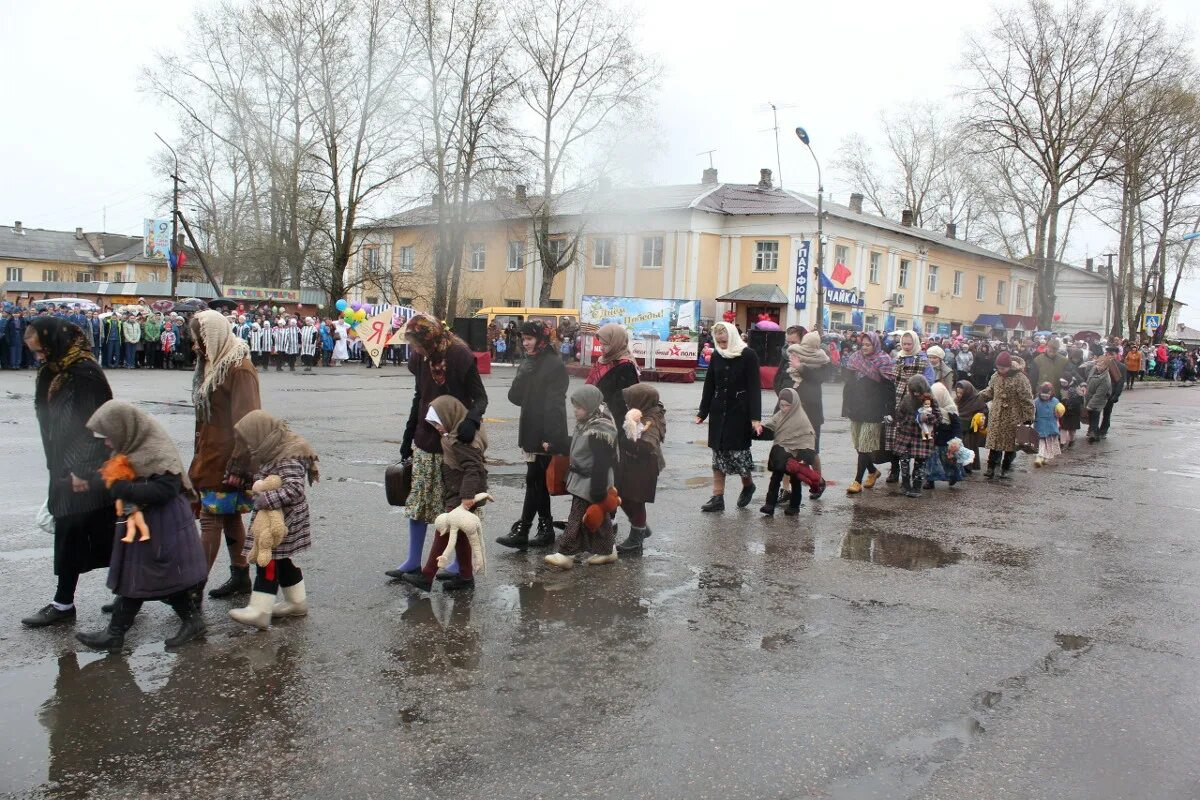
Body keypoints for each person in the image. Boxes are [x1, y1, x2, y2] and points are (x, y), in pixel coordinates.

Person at [74, 401, 208, 650]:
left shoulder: (155, 449)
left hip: (164, 522)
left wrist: (121, 488)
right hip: (146, 522)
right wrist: (86, 479)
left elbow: (167, 489)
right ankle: (189, 622)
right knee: (148, 577)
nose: (105, 443)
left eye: (108, 436)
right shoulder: (130, 446)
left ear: (123, 429)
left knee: (144, 577)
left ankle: (116, 634)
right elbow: (114, 476)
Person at [20, 318, 116, 629]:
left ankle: (134, 593)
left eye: (40, 350)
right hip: (62, 466)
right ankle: (66, 603)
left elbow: (99, 427)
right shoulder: (54, 368)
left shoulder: (84, 372)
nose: (38, 357)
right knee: (76, 535)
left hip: (84, 469)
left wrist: (82, 471)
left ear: (54, 342)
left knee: (100, 536)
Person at [388, 315, 487, 580]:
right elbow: (419, 395)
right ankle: (412, 560)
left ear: (430, 338)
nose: (416, 351)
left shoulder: (459, 355)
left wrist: (472, 420)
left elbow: (480, 397)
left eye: (418, 345)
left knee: (453, 506)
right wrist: (408, 434)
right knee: (419, 501)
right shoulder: (422, 357)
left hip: (454, 439)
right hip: (426, 437)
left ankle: (457, 565)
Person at [189, 309, 262, 600]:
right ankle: (241, 576)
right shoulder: (214, 364)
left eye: (200, 339)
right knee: (230, 517)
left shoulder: (239, 368)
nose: (196, 346)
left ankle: (193, 589)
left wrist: (240, 466)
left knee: (210, 518)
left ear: (214, 336)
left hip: (229, 460)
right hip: (211, 455)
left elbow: (249, 421)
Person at [228, 411, 320, 629]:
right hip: (279, 516)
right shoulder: (274, 447)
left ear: (260, 434)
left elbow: (295, 489)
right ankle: (297, 603)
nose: (249, 446)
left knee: (267, 560)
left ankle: (259, 610)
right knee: (282, 560)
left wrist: (263, 499)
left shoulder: (288, 454)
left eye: (250, 440)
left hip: (283, 520)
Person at [400, 396, 487, 592]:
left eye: (437, 423)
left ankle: (427, 575)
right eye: (433, 424)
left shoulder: (462, 440)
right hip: (457, 492)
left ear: (449, 416)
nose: (437, 428)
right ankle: (466, 576)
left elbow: (473, 468)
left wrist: (466, 497)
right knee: (461, 534)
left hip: (463, 494)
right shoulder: (451, 436)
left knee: (445, 529)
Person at [496, 322, 569, 551]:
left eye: (529, 338)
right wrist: (522, 376)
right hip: (530, 426)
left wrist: (552, 437)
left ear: (541, 338)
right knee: (536, 482)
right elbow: (515, 398)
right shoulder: (529, 361)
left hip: (545, 430)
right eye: (523, 339)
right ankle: (543, 529)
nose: (525, 343)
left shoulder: (553, 363)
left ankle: (525, 528)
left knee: (534, 481)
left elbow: (556, 404)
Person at [544, 386, 619, 569]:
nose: (575, 410)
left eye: (579, 406)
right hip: (584, 479)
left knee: (576, 517)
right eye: (575, 406)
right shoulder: (588, 422)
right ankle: (608, 551)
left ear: (590, 405)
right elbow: (578, 444)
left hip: (593, 480)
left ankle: (566, 554)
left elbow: (602, 461)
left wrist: (599, 488)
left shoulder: (599, 429)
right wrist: (556, 446)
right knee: (599, 519)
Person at [695, 320, 762, 512]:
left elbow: (754, 388)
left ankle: (748, 485)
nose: (722, 345)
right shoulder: (716, 355)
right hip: (718, 412)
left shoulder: (748, 355)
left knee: (738, 455)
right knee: (718, 455)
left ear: (732, 336)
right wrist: (703, 412)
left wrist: (755, 418)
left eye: (724, 341)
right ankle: (718, 498)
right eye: (719, 341)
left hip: (739, 412)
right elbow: (709, 385)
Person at [614, 384, 666, 552]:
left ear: (641, 401)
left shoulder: (651, 419)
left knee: (636, 500)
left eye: (631, 401)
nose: (627, 405)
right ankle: (641, 527)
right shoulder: (639, 413)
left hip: (645, 466)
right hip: (632, 463)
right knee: (620, 494)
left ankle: (637, 537)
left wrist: (629, 442)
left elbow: (648, 444)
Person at [842, 332, 894, 494]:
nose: (864, 347)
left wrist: (889, 411)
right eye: (863, 344)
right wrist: (846, 406)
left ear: (875, 344)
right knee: (858, 445)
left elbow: (889, 389)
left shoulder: (884, 361)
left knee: (864, 446)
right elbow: (848, 384)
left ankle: (857, 481)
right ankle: (872, 471)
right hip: (856, 407)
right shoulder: (854, 358)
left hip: (873, 409)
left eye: (868, 345)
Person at [758, 387, 822, 515]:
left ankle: (794, 506)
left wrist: (804, 458)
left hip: (796, 458)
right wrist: (757, 431)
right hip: (781, 455)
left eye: (787, 405)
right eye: (781, 405)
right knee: (775, 479)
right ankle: (769, 504)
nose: (783, 408)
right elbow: (770, 430)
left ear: (794, 405)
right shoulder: (779, 416)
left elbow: (808, 441)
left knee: (795, 481)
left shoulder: (802, 419)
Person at [978, 350, 1035, 479]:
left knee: (1010, 445)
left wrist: (1028, 418)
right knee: (994, 443)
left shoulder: (1021, 378)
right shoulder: (995, 376)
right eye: (998, 368)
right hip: (997, 415)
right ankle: (991, 467)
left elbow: (1026, 399)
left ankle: (1005, 467)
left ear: (1009, 366)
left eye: (1003, 368)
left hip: (1013, 416)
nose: (1000, 370)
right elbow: (990, 391)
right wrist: (979, 397)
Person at [884, 330, 930, 484]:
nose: (907, 346)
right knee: (896, 436)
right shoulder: (898, 357)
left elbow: (929, 380)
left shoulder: (923, 359)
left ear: (915, 343)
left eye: (909, 343)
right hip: (898, 399)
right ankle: (895, 469)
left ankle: (916, 473)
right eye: (904, 343)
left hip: (916, 400)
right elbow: (892, 378)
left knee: (915, 437)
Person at [784, 331, 831, 478]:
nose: (791, 346)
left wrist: (801, 367)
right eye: (789, 343)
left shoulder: (822, 361)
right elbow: (781, 378)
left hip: (811, 412)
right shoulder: (791, 354)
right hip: (790, 410)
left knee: (811, 452)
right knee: (789, 450)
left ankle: (819, 481)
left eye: (794, 342)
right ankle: (787, 490)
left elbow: (818, 379)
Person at [586, 323, 640, 431]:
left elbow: (627, 399)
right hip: (598, 415)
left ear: (616, 343)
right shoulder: (603, 360)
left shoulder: (626, 365)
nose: (601, 348)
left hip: (615, 421)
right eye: (600, 344)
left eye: (605, 345)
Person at [892, 374, 938, 498]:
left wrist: (928, 418)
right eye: (914, 391)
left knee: (920, 463)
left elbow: (938, 418)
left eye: (918, 391)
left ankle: (917, 486)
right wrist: (907, 421)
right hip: (905, 435)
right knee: (904, 461)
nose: (916, 394)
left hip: (922, 437)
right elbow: (899, 415)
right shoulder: (906, 399)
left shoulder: (931, 400)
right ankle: (905, 485)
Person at [923, 382, 963, 489]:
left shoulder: (951, 409)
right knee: (930, 461)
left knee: (948, 462)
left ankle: (952, 476)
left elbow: (957, 426)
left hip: (946, 442)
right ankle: (929, 480)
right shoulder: (928, 408)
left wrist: (956, 440)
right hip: (933, 440)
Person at [955, 380, 987, 473]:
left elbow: (984, 412)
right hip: (959, 428)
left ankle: (968, 466)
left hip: (971, 431)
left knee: (969, 446)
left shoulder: (977, 400)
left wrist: (978, 418)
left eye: (961, 393)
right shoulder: (956, 400)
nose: (959, 395)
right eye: (957, 392)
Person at [1031, 382, 1064, 467]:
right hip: (1040, 425)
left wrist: (1059, 414)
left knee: (1049, 442)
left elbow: (1059, 413)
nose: (1045, 396)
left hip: (1051, 425)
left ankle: (1045, 458)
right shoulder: (1036, 401)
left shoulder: (1055, 401)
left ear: (1051, 393)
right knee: (1041, 442)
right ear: (1040, 392)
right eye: (1043, 394)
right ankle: (1039, 458)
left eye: (1047, 394)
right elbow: (1032, 412)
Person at [1084, 354, 1113, 443]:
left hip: (1098, 400)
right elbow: (1087, 376)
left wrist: (1090, 405)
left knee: (1095, 416)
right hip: (1089, 397)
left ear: (1106, 366)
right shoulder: (1094, 369)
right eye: (1098, 364)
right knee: (1091, 416)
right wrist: (1089, 365)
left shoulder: (1105, 379)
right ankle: (1093, 432)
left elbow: (1099, 394)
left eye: (1101, 365)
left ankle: (1095, 435)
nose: (1098, 367)